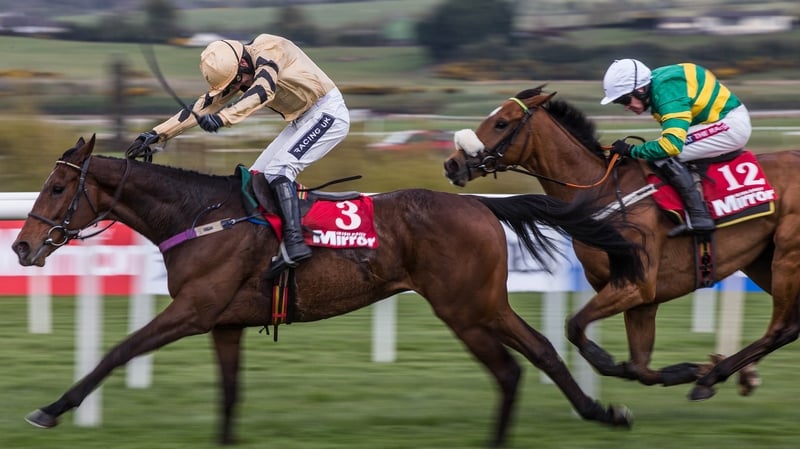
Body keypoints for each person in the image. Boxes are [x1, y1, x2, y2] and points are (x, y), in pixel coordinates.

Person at [127, 34, 351, 271]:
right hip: (302, 119)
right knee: (257, 177)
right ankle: (269, 244)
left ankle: (296, 245)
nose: (239, 88)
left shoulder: (269, 50)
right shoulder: (241, 69)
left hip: (328, 113)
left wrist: (223, 118)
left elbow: (263, 91)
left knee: (279, 171)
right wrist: (156, 135)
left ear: (243, 64)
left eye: (238, 83)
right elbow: (203, 106)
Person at [600, 58, 752, 237]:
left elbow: (671, 146)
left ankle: (699, 217)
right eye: (619, 102)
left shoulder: (666, 93)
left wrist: (631, 151)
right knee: (661, 150)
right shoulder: (655, 87)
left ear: (640, 89)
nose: (626, 107)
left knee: (664, 154)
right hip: (715, 121)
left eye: (625, 99)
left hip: (729, 126)